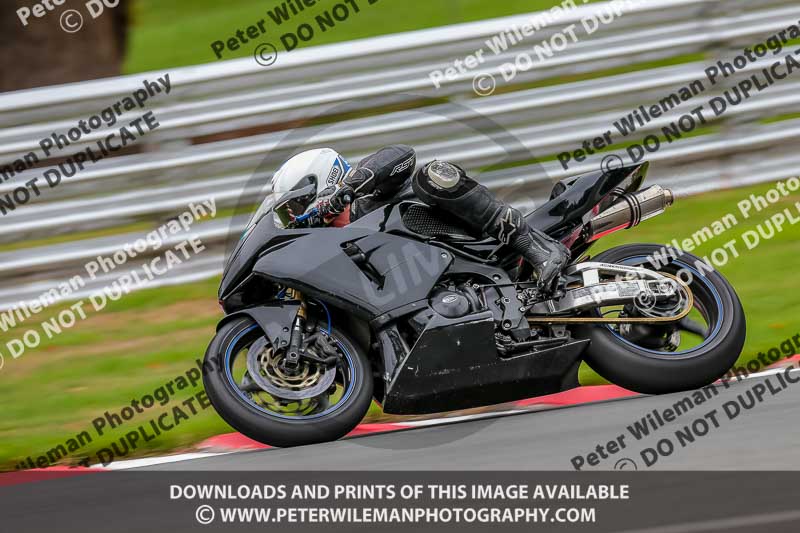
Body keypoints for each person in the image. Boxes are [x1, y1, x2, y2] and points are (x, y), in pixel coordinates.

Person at [271, 145, 570, 292]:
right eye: (288, 214)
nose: (295, 218)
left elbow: (401, 154)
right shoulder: (336, 248)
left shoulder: (372, 194)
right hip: (447, 287)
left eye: (294, 207)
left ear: (323, 182)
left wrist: (349, 188)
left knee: (431, 175)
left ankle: (537, 248)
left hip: (481, 243)